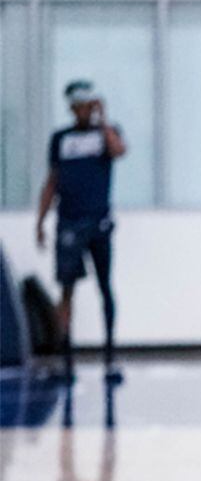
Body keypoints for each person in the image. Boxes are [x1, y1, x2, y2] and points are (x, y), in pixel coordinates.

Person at [35, 80, 127, 383]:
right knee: (67, 290)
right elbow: (52, 181)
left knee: (105, 287)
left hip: (98, 222)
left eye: (89, 104)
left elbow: (118, 151)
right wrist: (40, 220)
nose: (84, 110)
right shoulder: (61, 139)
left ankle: (110, 358)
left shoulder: (106, 134)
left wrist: (102, 122)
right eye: (79, 105)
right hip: (69, 223)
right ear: (72, 108)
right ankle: (67, 361)